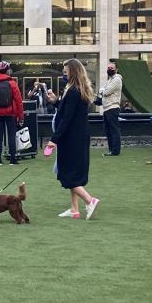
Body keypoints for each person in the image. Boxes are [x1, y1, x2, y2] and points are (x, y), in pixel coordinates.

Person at [46, 59, 99, 220]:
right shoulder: (75, 90)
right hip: (76, 137)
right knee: (73, 173)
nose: (64, 74)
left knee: (67, 174)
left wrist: (54, 140)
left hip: (72, 138)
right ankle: (74, 210)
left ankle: (90, 200)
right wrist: (56, 102)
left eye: (66, 72)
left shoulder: (74, 91)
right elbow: (67, 110)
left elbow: (67, 118)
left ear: (73, 72)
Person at [97, 59, 124, 156]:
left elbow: (105, 92)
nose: (109, 69)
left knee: (113, 130)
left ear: (116, 70)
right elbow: (103, 91)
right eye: (108, 68)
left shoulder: (117, 79)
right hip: (107, 108)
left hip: (112, 107)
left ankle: (115, 151)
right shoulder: (110, 80)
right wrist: (102, 90)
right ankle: (111, 150)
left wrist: (102, 90)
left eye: (111, 68)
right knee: (108, 131)